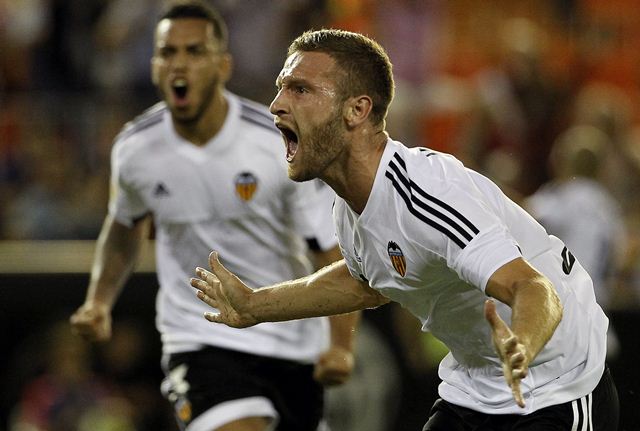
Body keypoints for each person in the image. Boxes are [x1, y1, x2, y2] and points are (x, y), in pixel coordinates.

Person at [190, 29, 620, 430]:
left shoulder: (425, 197)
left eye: (300, 89)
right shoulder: (350, 203)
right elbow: (366, 282)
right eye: (282, 87)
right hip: (477, 387)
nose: (277, 104)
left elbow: (532, 287)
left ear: (357, 110)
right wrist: (254, 305)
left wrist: (523, 343)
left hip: (555, 386)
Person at [69, 3, 359, 431]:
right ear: (153, 66)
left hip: (291, 343)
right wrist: (99, 300)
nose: (179, 63)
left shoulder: (276, 144)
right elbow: (125, 223)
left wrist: (340, 344)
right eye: (168, 52)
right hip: (199, 340)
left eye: (194, 51)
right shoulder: (135, 149)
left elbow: (327, 249)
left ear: (223, 65)